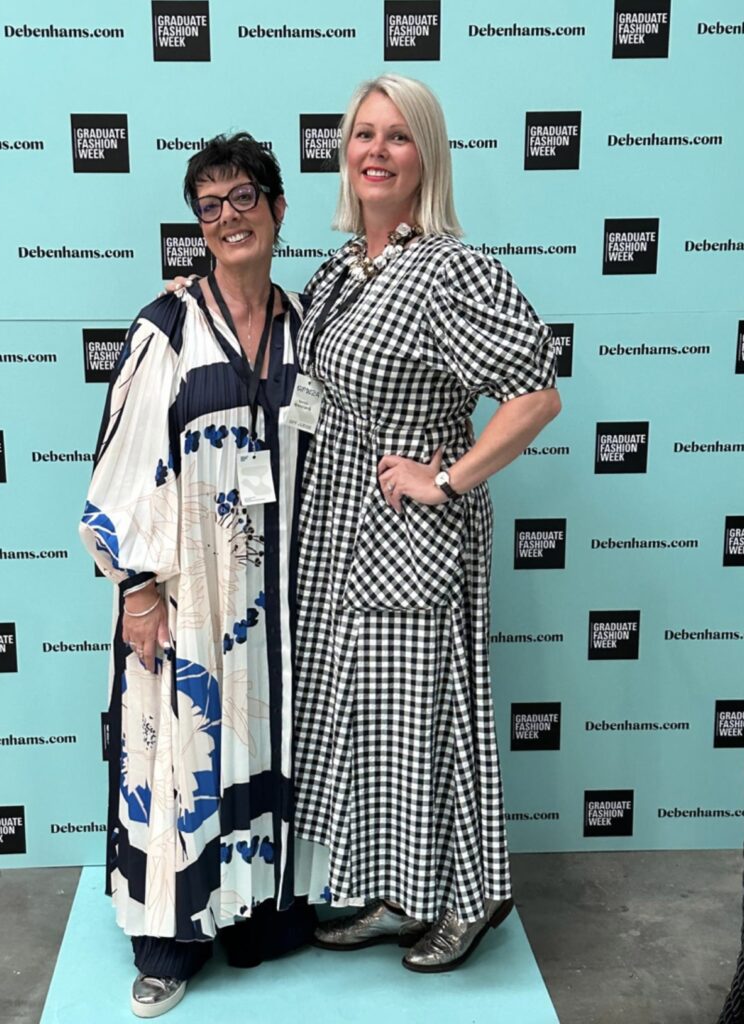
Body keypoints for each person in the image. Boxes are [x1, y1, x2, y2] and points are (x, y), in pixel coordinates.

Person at [291, 74, 562, 973]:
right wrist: (198, 290)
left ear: (427, 156)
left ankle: (471, 896)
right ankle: (401, 892)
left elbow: (535, 396)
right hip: (340, 532)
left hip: (412, 534)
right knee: (376, 724)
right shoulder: (343, 267)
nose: (375, 151)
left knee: (432, 721)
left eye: (397, 136)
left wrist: (446, 478)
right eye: (363, 134)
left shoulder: (448, 268)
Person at [79, 133, 318, 1018]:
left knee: (269, 749)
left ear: (278, 208)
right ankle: (171, 940)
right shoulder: (167, 328)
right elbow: (123, 465)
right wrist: (136, 588)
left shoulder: (307, 325)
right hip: (188, 596)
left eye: (243, 197)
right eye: (209, 207)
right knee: (181, 754)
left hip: (281, 598)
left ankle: (256, 915)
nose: (227, 218)